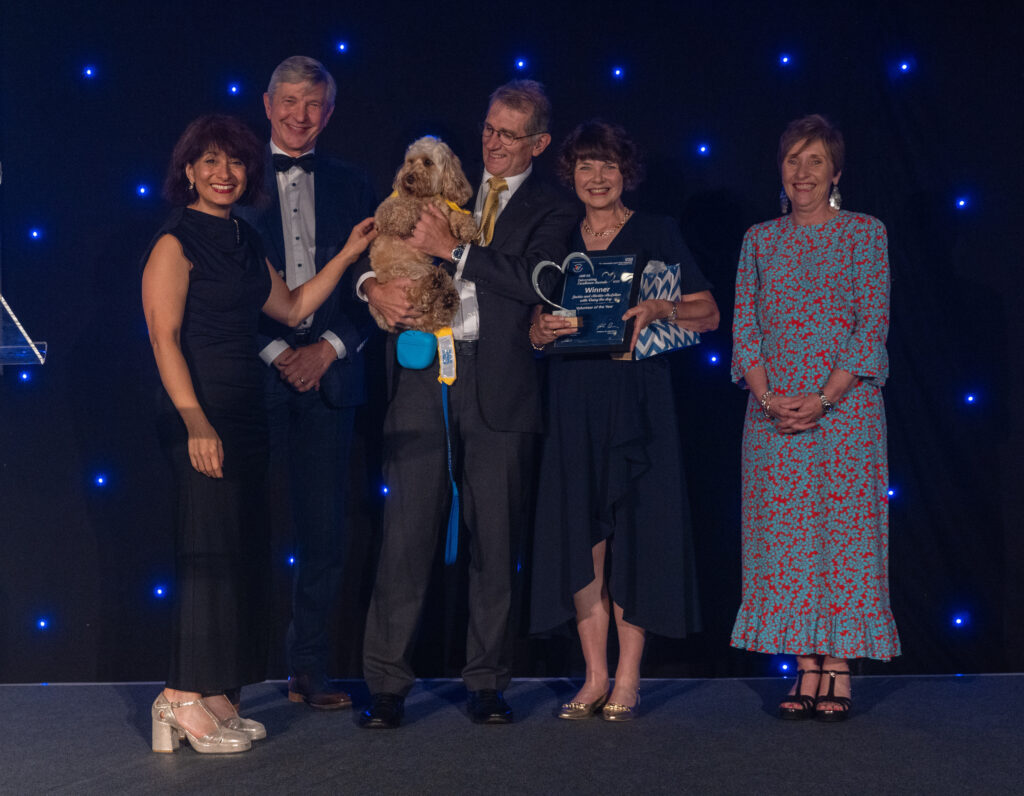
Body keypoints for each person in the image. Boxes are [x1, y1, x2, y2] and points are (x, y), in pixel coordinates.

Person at [142, 114, 375, 753]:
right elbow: (163, 338)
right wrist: (194, 420)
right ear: (188, 171)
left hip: (246, 411)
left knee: (241, 551)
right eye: (210, 162)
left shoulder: (243, 234)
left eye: (236, 163)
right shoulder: (174, 241)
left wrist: (350, 255)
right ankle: (179, 696)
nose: (224, 174)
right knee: (206, 556)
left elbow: (295, 307)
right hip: (200, 411)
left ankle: (215, 693)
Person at [356, 80, 576, 728]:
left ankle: (486, 682)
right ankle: (387, 685)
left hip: (500, 386)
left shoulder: (551, 207)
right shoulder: (440, 182)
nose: (493, 143)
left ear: (539, 141)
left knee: (494, 542)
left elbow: (540, 279)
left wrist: (452, 250)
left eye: (509, 135)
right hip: (424, 385)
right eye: (488, 129)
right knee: (404, 538)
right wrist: (370, 284)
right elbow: (377, 243)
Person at [529, 121, 719, 720]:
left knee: (637, 533)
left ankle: (629, 676)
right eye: (585, 166)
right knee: (582, 538)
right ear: (571, 175)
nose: (597, 177)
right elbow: (536, 322)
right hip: (573, 398)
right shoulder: (558, 236)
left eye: (607, 165)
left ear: (625, 172)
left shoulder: (657, 230)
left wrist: (664, 305)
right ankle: (593, 675)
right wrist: (539, 330)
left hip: (640, 399)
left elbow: (709, 314)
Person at [729, 114, 900, 722]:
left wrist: (823, 400)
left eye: (815, 161)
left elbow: (870, 325)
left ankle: (840, 666)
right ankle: (804, 666)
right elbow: (745, 329)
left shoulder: (865, 234)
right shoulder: (758, 239)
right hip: (772, 417)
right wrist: (771, 399)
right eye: (794, 160)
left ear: (835, 172)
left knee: (844, 539)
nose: (803, 173)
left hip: (845, 416)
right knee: (786, 541)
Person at [234, 55, 377, 710]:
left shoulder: (356, 184)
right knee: (242, 528)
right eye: (288, 101)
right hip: (252, 377)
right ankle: (226, 672)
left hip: (332, 376)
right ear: (266, 105)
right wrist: (275, 351)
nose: (299, 115)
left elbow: (384, 285)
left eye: (312, 104)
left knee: (324, 531)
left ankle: (308, 668)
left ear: (330, 112)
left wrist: (328, 347)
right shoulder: (234, 179)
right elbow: (217, 289)